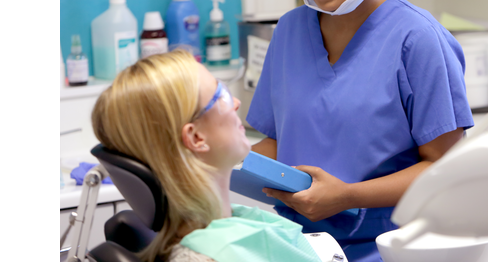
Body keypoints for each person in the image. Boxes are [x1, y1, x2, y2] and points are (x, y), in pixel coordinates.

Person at [247, 0, 475, 262]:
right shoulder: (289, 32)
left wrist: (347, 197)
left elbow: (445, 168)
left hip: (392, 249)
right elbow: (278, 141)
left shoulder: (417, 39)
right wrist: (205, 163)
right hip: (302, 247)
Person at [91, 50, 322, 262]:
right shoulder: (213, 255)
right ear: (196, 138)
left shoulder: (227, 224)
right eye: (222, 96)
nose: (237, 103)